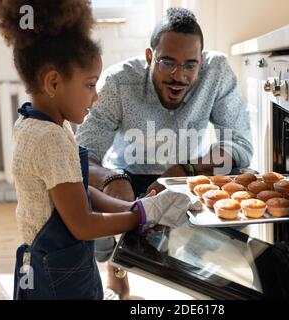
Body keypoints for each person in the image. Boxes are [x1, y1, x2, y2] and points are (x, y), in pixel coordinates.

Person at [0, 0, 191, 300]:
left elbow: (75, 191)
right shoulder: (51, 139)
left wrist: (131, 208)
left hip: (54, 264)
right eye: (90, 85)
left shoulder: (38, 123)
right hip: (59, 277)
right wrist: (144, 216)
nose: (95, 98)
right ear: (54, 82)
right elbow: (82, 224)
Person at [76, 7, 253, 300]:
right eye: (167, 62)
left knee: (241, 178)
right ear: (150, 57)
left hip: (188, 176)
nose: (178, 76)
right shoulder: (118, 82)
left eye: (190, 65)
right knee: (77, 193)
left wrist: (184, 171)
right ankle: (117, 273)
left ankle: (208, 277)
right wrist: (113, 177)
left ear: (202, 61)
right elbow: (82, 154)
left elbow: (240, 146)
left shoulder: (217, 72)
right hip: (127, 179)